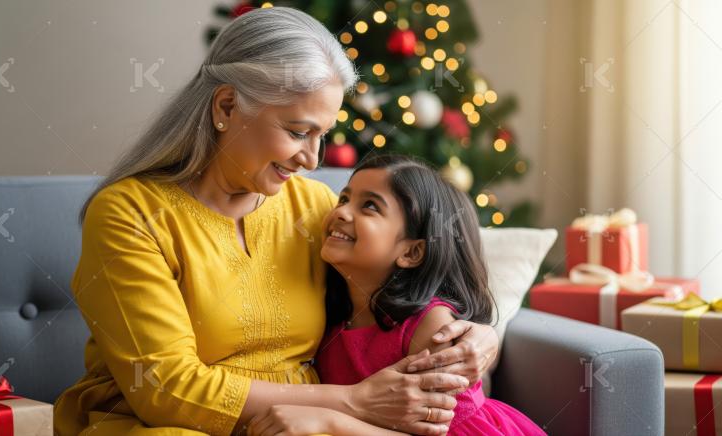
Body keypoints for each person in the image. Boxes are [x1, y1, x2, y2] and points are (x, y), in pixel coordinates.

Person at [54, 7, 501, 435]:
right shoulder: (128, 213)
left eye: (322, 136)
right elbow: (165, 389)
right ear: (227, 107)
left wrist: (480, 338)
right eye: (297, 132)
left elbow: (394, 293)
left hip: (301, 423)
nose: (311, 159)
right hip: (162, 423)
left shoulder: (313, 206)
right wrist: (353, 403)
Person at [247, 155, 544, 436]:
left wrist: (331, 421)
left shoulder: (432, 327)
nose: (340, 212)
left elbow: (437, 430)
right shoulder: (331, 311)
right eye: (345, 198)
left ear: (411, 252)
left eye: (370, 207)